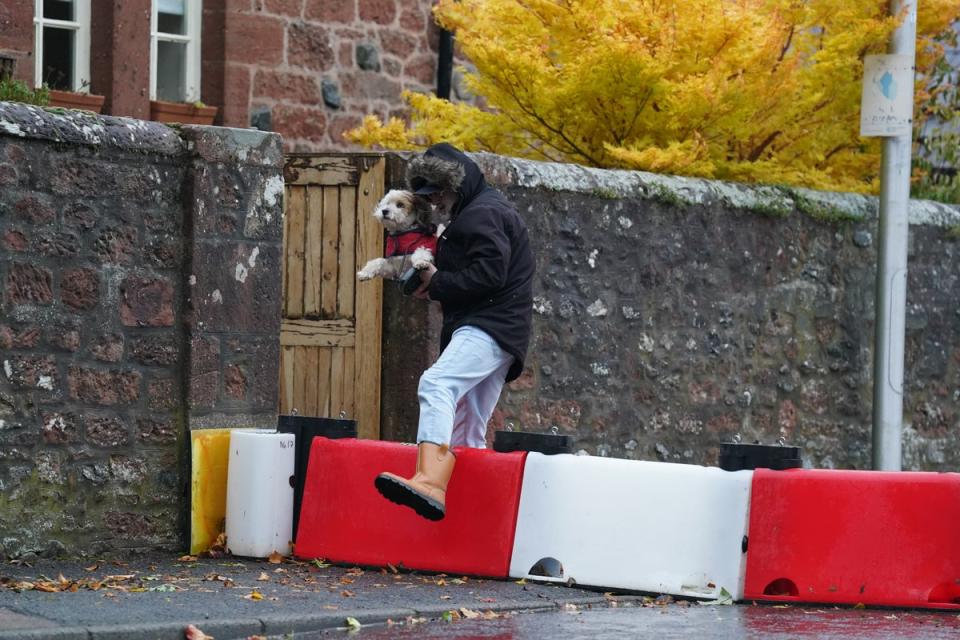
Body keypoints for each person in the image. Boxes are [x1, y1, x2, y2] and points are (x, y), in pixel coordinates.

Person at [374, 143, 535, 521]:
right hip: (502, 328)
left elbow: (490, 274)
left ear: (456, 185)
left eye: (440, 192)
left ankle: (430, 481)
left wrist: (438, 282)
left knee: (436, 385)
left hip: (489, 325)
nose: (436, 201)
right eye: (429, 196)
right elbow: (487, 273)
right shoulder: (483, 210)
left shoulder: (482, 215)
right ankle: (469, 520)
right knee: (467, 428)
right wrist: (436, 284)